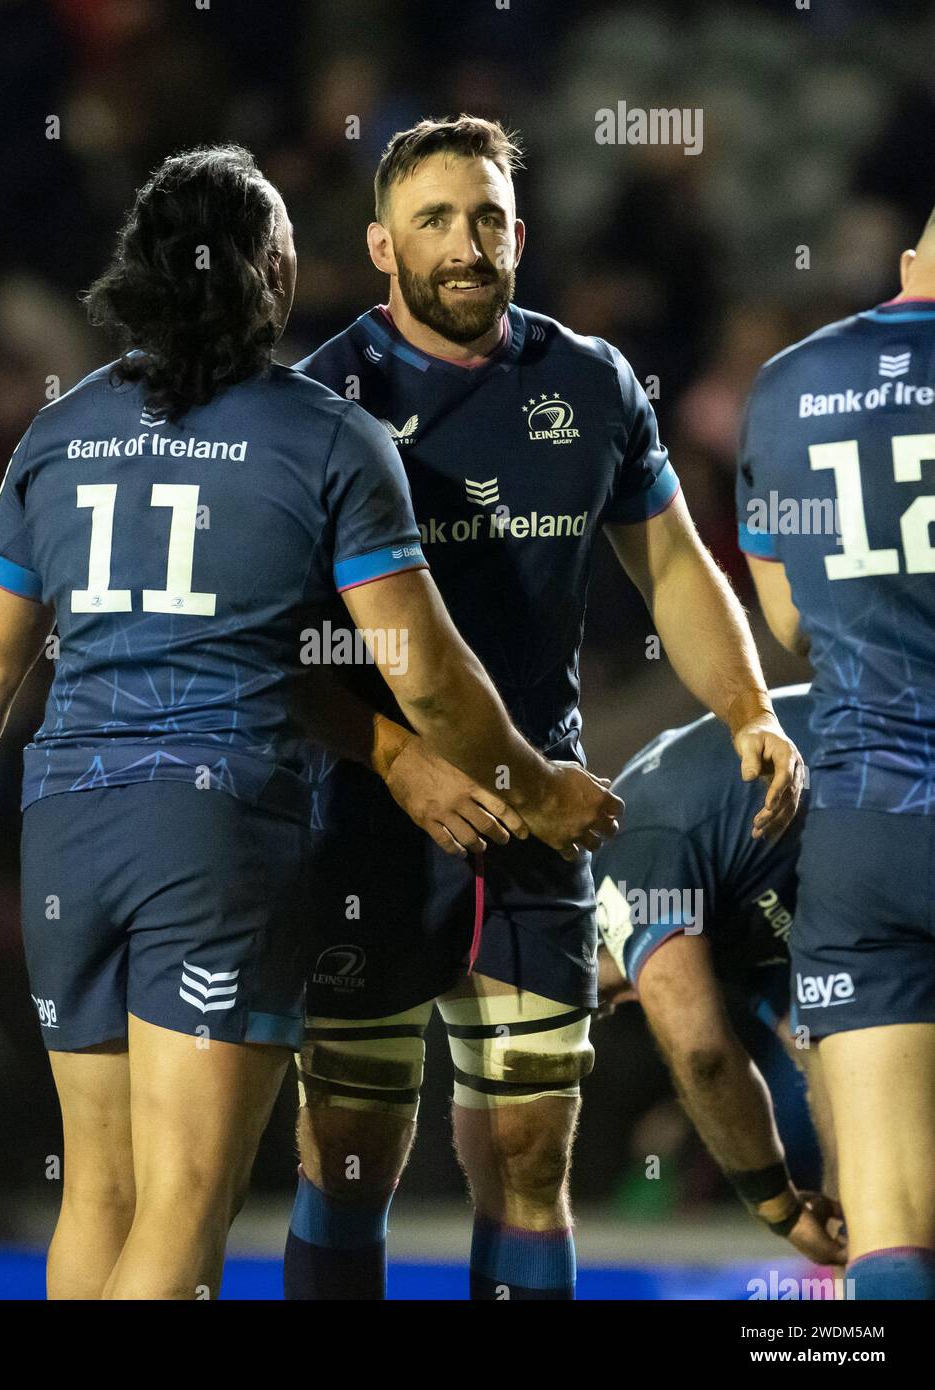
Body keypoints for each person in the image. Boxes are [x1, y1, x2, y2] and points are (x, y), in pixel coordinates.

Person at [0, 145, 620, 1300]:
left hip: (66, 828)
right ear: (274, 272)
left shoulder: (61, 428)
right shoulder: (324, 436)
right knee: (184, 1202)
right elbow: (422, 671)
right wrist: (534, 785)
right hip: (214, 832)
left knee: (98, 1194)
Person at [286, 115, 804, 1302]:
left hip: (541, 820)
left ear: (518, 232)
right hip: (369, 820)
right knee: (352, 1154)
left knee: (528, 1153)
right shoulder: (322, 400)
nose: (464, 245)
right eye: (432, 221)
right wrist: (396, 758)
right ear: (380, 246)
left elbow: (672, 567)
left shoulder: (589, 381)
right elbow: (270, 645)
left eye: (485, 218)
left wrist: (745, 711)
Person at [738, 216, 935, 1298]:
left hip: (859, 832)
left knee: (891, 1230)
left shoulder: (786, 384)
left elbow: (788, 625)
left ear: (907, 269)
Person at [594, 686, 844, 1267]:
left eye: (600, 1002)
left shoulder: (628, 872)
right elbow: (827, 1055)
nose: (626, 1003)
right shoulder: (727, 900)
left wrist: (776, 1206)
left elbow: (703, 1056)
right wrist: (839, 1207)